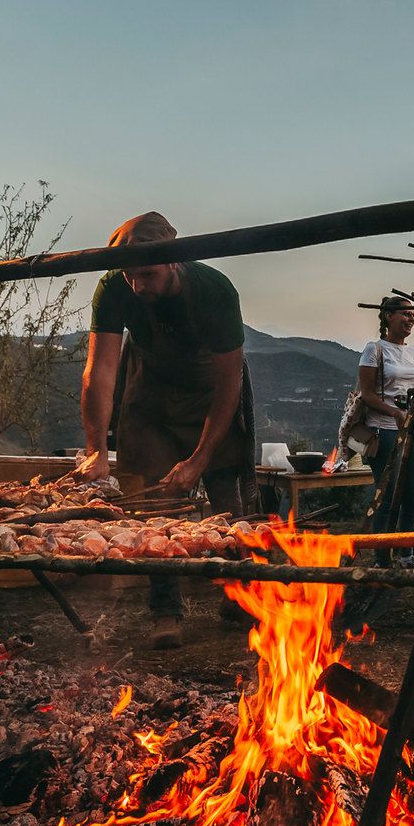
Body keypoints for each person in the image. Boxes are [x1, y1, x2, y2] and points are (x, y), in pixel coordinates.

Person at [76, 212, 256, 641]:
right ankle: (166, 611)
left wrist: (199, 458)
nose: (139, 286)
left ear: (174, 261)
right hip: (151, 394)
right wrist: (97, 448)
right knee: (151, 507)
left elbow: (229, 383)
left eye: (149, 275)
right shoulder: (113, 288)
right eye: (131, 275)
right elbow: (99, 371)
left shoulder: (214, 291)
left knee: (228, 506)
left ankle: (239, 597)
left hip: (211, 394)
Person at [357, 296, 414, 538]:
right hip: (383, 429)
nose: (411, 319)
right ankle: (381, 555)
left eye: (413, 316)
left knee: (413, 495)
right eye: (406, 314)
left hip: (412, 428)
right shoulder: (374, 349)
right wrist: (394, 412)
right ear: (389, 315)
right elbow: (366, 394)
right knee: (387, 493)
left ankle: (407, 553)